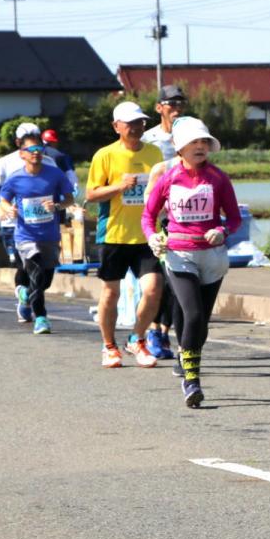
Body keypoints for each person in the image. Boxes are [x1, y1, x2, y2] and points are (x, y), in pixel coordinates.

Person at [142, 117, 241, 408]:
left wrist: (222, 231)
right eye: (192, 142)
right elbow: (149, 216)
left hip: (212, 257)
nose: (199, 147)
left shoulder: (219, 178)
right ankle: (191, 381)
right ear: (178, 147)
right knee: (193, 315)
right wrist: (153, 237)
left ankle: (185, 355)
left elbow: (234, 218)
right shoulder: (169, 178)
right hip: (179, 254)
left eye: (203, 142)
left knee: (201, 324)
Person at [85, 101, 164, 369]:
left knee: (153, 290)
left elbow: (163, 188)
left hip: (146, 234)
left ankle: (137, 339)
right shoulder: (104, 155)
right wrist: (119, 186)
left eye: (140, 122)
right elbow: (91, 194)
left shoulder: (155, 153)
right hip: (114, 235)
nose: (136, 127)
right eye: (130, 123)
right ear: (116, 126)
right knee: (111, 293)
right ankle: (109, 347)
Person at [0, 131, 73, 334]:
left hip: (49, 235)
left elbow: (70, 199)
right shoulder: (15, 178)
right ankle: (41, 317)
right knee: (36, 271)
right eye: (31, 150)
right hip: (26, 236)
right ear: (22, 153)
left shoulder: (54, 174)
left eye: (39, 149)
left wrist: (56, 205)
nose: (36, 153)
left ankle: (25, 293)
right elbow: (3, 199)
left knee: (45, 280)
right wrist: (8, 209)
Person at [141, 84, 189, 361]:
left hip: (184, 216)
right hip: (156, 214)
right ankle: (153, 330)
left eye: (180, 103)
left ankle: (163, 330)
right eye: (171, 103)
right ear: (159, 108)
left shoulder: (193, 132)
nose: (176, 108)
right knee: (158, 280)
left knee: (175, 281)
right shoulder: (149, 140)